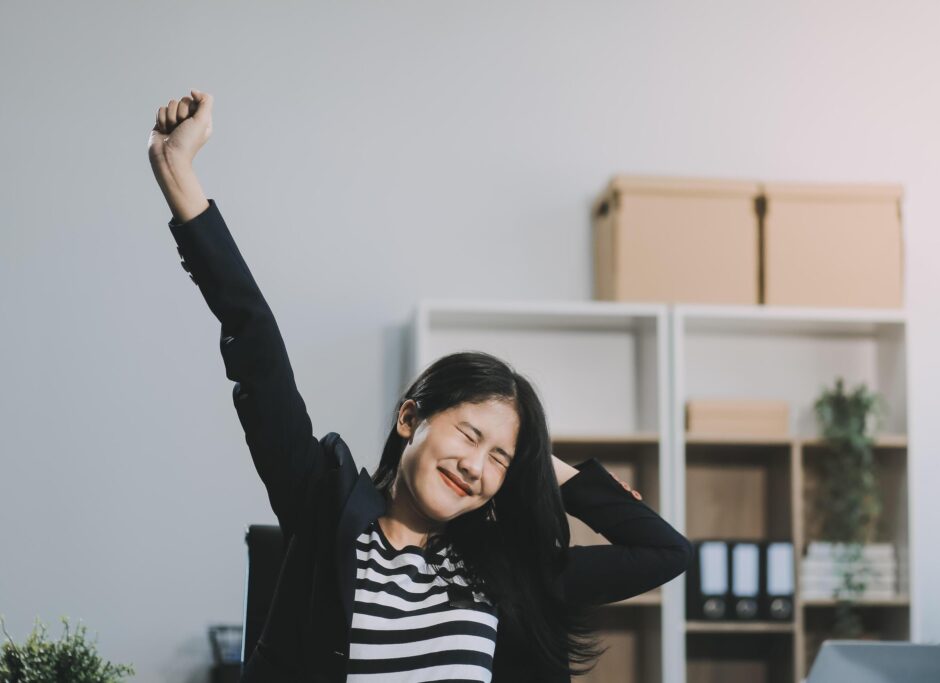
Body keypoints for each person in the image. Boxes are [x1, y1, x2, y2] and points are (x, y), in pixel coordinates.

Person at [148, 90, 692, 683]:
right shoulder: (324, 508)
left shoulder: (508, 571)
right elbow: (257, 347)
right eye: (468, 434)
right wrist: (179, 173)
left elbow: (666, 554)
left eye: (498, 458)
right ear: (410, 417)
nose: (475, 466)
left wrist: (538, 463)